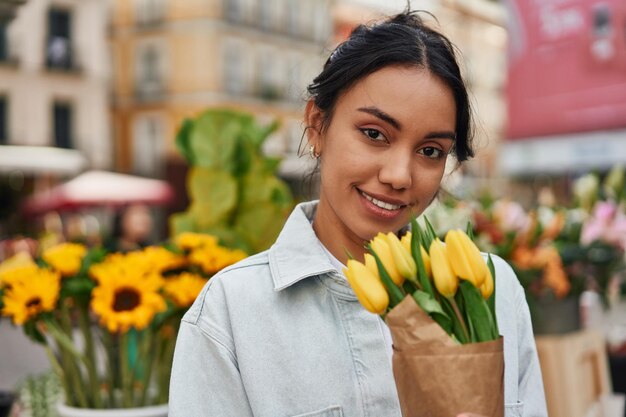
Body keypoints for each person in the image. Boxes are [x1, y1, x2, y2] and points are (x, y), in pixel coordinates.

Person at [169, 10, 547, 417]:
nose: (399, 176)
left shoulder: (492, 289)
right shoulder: (232, 312)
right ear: (317, 125)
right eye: (374, 134)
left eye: (430, 151)